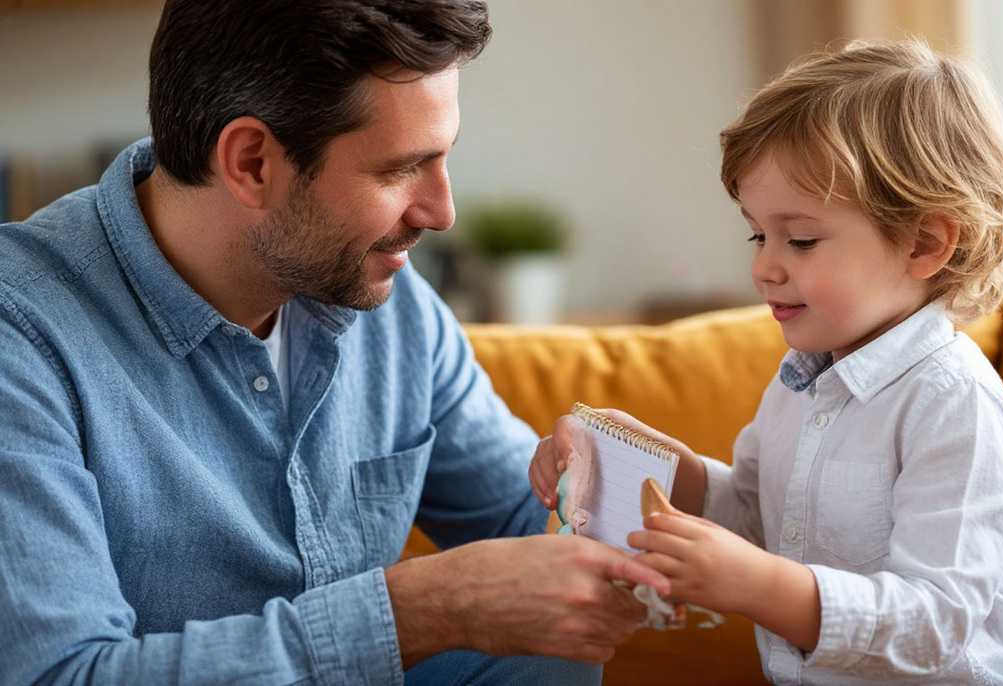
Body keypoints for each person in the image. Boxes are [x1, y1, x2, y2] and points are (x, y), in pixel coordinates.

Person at [0, 1, 670, 684]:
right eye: (399, 170)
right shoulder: (20, 335)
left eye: (442, 160)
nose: (442, 212)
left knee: (547, 649)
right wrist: (419, 611)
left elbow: (529, 521)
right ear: (253, 163)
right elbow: (58, 675)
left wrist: (672, 504)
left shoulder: (387, 297)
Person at [531, 39, 1003, 684]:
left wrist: (760, 585)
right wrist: (649, 461)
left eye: (800, 239)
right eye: (758, 233)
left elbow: (935, 626)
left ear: (925, 243)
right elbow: (755, 515)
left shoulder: (955, 408)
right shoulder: (799, 386)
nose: (763, 266)